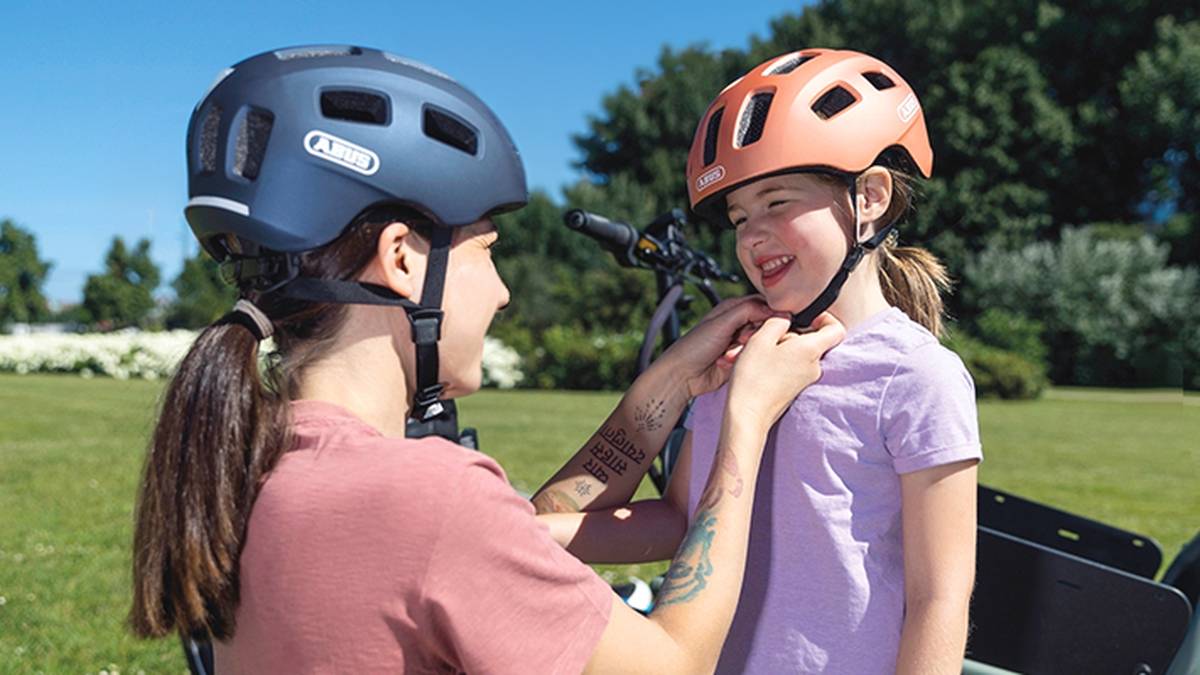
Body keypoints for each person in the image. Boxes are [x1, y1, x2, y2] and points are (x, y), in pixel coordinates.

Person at [127, 45, 846, 674]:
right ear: (402, 259)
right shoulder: (427, 495)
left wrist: (666, 386)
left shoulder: (255, 455)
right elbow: (675, 663)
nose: (502, 293)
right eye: (487, 253)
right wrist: (746, 419)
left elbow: (516, 536)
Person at [534, 48, 981, 674]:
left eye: (777, 203)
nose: (751, 236)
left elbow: (939, 597)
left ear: (870, 198)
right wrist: (533, 536)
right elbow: (681, 519)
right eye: (739, 216)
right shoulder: (734, 359)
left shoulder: (917, 377)